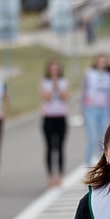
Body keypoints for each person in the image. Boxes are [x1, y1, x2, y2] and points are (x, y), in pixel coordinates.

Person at [40, 59, 69, 188]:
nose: (54, 72)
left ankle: (60, 175)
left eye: (56, 70)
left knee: (60, 147)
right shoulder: (44, 82)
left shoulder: (64, 82)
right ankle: (50, 175)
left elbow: (65, 96)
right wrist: (52, 85)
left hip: (61, 116)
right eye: (52, 70)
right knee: (50, 147)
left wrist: (57, 85)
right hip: (48, 117)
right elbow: (46, 97)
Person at [81, 53, 110, 165]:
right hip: (91, 108)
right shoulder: (89, 74)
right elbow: (83, 91)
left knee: (104, 137)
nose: (102, 64)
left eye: (104, 61)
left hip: (105, 109)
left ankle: (103, 162)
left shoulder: (109, 75)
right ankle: (88, 163)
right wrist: (82, 109)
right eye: (100, 61)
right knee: (92, 136)